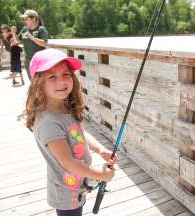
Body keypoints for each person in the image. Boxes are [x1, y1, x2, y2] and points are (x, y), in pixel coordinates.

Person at [24, 48, 116, 216]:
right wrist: (101, 175)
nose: (61, 82)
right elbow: (68, 163)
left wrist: (100, 150)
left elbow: (78, 134)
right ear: (38, 83)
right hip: (66, 193)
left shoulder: (65, 107)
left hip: (77, 185)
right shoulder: (48, 123)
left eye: (66, 74)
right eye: (52, 77)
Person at [12, 9, 49, 81]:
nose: (25, 21)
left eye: (26, 19)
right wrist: (13, 33)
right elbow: (16, 41)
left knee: (42, 82)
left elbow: (44, 43)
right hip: (29, 61)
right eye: (24, 19)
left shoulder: (41, 29)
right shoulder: (24, 29)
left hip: (40, 60)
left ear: (34, 19)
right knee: (33, 83)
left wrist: (31, 37)